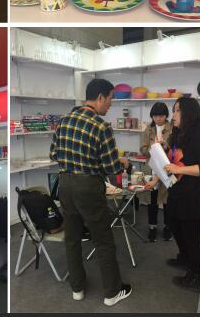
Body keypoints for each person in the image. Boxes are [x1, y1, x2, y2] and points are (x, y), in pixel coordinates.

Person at [50, 78, 132, 307]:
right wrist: (121, 162)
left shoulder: (64, 121)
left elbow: (54, 154)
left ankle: (77, 288)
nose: (111, 104)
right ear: (100, 97)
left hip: (65, 183)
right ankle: (112, 293)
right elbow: (111, 168)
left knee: (72, 238)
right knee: (103, 240)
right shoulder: (101, 126)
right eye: (110, 99)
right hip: (88, 187)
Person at [161, 97, 200, 291]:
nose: (173, 115)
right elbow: (172, 160)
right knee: (174, 225)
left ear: (188, 113)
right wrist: (161, 151)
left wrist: (179, 169)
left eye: (177, 110)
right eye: (173, 110)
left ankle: (194, 275)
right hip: (176, 191)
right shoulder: (177, 135)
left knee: (192, 236)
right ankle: (184, 257)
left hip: (193, 196)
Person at [139, 102, 173, 242]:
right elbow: (142, 149)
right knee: (151, 201)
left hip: (167, 169)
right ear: (152, 116)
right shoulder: (148, 129)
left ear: (166, 115)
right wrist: (153, 148)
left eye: (161, 116)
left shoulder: (172, 129)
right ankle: (152, 228)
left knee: (167, 201)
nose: (158, 118)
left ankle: (167, 228)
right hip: (151, 169)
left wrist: (165, 146)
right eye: (155, 116)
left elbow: (175, 148)